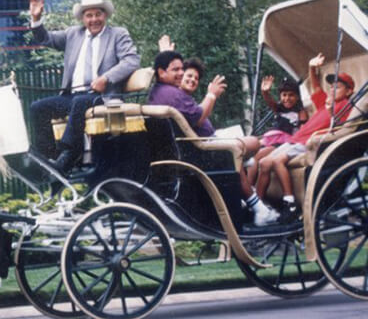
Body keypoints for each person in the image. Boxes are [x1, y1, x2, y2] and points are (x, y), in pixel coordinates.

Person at [148, 50, 277, 226]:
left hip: (190, 147)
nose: (181, 73)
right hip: (200, 150)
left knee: (241, 151)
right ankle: (258, 208)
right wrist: (212, 95)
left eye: (181, 69)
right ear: (162, 72)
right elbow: (198, 117)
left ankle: (250, 194)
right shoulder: (172, 94)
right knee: (250, 145)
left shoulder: (159, 92)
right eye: (176, 70)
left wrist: (165, 52)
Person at [28, 0, 140, 174]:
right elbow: (45, 38)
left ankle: (70, 155)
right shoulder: (73, 34)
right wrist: (36, 19)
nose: (94, 19)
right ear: (82, 18)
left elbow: (131, 61)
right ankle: (49, 158)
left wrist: (106, 78)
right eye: (89, 15)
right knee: (37, 107)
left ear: (105, 15)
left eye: (98, 14)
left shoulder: (118, 34)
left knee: (81, 103)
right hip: (72, 96)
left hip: (102, 97)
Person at [256, 53, 354, 222]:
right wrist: (311, 67)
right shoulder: (325, 101)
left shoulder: (346, 106)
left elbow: (336, 125)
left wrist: (331, 109)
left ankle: (290, 202)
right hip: (294, 140)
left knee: (277, 161)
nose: (332, 89)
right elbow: (315, 86)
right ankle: (258, 205)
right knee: (263, 163)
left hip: (308, 142)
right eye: (331, 86)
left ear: (349, 91)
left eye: (337, 87)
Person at [259, 75, 308, 147]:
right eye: (284, 95)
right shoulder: (279, 109)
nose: (287, 98)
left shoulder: (300, 112)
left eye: (291, 95)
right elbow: (270, 102)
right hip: (273, 139)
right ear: (280, 96)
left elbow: (302, 130)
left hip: (286, 143)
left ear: (297, 97)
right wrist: (265, 92)